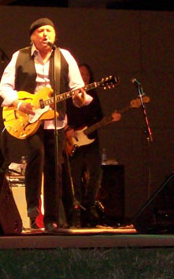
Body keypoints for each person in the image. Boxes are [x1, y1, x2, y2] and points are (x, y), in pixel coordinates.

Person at [0, 18, 89, 232]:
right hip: (29, 118)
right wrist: (20, 104)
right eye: (40, 31)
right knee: (37, 154)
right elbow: (4, 87)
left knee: (54, 167)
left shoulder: (64, 56)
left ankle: (51, 218)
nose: (45, 34)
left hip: (56, 120)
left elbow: (77, 90)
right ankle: (32, 208)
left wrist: (79, 97)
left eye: (49, 30)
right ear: (32, 36)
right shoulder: (19, 56)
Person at [63, 63, 121, 228]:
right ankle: (76, 211)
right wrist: (68, 130)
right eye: (81, 74)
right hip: (73, 141)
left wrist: (111, 118)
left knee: (95, 174)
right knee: (74, 177)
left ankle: (90, 207)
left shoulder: (93, 95)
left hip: (91, 141)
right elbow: (61, 117)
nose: (84, 77)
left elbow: (99, 118)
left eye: (87, 75)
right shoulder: (68, 96)